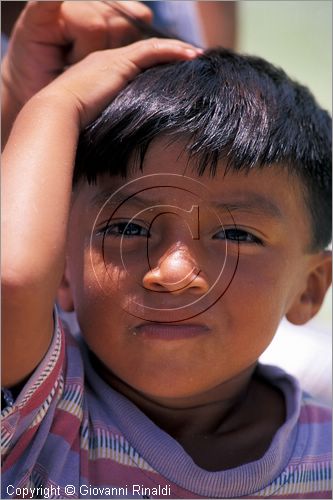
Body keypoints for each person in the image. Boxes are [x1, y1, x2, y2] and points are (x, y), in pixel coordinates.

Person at [2, 3, 332, 500]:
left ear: (309, 289)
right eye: (130, 227)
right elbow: (13, 281)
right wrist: (55, 105)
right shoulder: (40, 414)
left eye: (237, 236)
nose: (174, 272)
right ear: (62, 274)